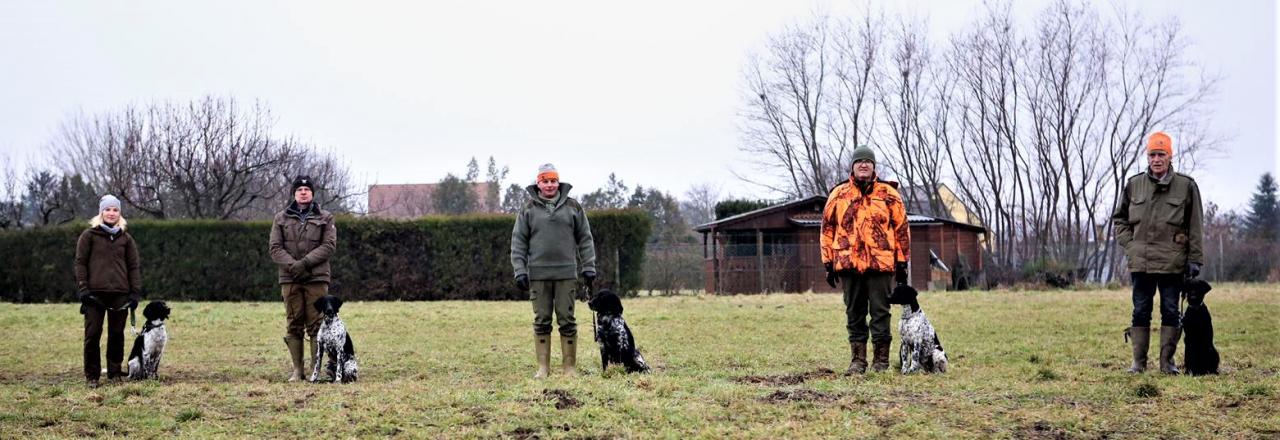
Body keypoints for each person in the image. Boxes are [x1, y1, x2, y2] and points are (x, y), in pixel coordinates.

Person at [1112, 131, 1204, 374]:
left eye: (1161, 154)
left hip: (1172, 263)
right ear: (1148, 156)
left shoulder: (1186, 186)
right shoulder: (1134, 184)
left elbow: (1195, 225)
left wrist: (1195, 258)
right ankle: (1138, 364)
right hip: (1140, 263)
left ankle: (1167, 365)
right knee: (1140, 310)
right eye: (1152, 154)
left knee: (1171, 311)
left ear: (1170, 156)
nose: (1156, 159)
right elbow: (1119, 220)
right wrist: (1130, 245)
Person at [820, 146, 911, 375]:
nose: (863, 165)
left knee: (881, 311)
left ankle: (881, 362)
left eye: (867, 162)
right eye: (859, 161)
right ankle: (857, 362)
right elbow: (827, 229)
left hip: (880, 264)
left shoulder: (888, 194)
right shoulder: (838, 195)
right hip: (848, 264)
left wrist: (901, 262)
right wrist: (828, 263)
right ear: (852, 166)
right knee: (854, 312)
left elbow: (901, 229)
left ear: (874, 166)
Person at [511, 163, 597, 378]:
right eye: (545, 181)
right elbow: (518, 241)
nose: (549, 185)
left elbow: (585, 239)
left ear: (558, 182)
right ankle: (543, 368)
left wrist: (589, 266)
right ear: (538, 183)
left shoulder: (573, 207)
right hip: (538, 275)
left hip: (566, 273)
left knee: (567, 319)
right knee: (542, 320)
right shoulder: (528, 209)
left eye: (553, 181)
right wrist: (519, 269)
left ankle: (569, 368)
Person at [269, 175, 338, 382]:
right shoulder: (280, 218)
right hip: (290, 279)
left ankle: (315, 369)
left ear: (313, 193)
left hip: (316, 277)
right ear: (294, 193)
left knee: (317, 323)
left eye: (307, 189)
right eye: (299, 189)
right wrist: (293, 266)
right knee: (294, 322)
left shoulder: (326, 217)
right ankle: (297, 370)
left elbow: (328, 246)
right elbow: (275, 248)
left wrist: (305, 263)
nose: (303, 192)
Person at [75, 194, 142, 388]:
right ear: (101, 212)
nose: (111, 213)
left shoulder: (126, 239)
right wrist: (83, 289)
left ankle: (114, 373)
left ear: (119, 213)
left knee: (116, 334)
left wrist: (134, 293)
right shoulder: (88, 236)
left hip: (120, 294)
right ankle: (92, 376)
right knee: (93, 334)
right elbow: (80, 264)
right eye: (108, 209)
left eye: (115, 210)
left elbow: (133, 267)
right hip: (94, 294)